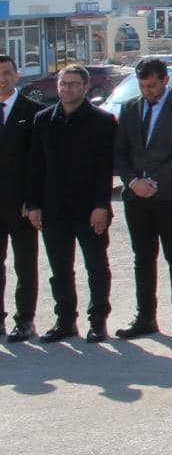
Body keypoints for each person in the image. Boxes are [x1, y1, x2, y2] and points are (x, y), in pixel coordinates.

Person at [24, 65, 116, 343]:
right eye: (64, 84)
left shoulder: (102, 121)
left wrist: (102, 205)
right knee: (60, 270)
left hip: (90, 209)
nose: (67, 89)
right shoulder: (43, 120)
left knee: (96, 267)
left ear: (85, 87)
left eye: (74, 84)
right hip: (54, 209)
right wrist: (34, 204)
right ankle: (65, 320)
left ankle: (97, 321)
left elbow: (105, 168)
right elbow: (35, 166)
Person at [112, 57, 172, 340]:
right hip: (137, 198)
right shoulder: (130, 108)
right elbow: (120, 152)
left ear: (165, 80)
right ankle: (145, 317)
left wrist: (155, 183)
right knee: (143, 258)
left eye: (152, 85)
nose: (148, 91)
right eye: (143, 86)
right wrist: (135, 182)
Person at [0, 54, 44, 342]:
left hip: (22, 205)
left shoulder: (35, 113)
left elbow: (40, 162)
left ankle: (25, 320)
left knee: (25, 265)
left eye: (6, 72)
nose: (2, 78)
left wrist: (34, 201)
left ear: (17, 76)